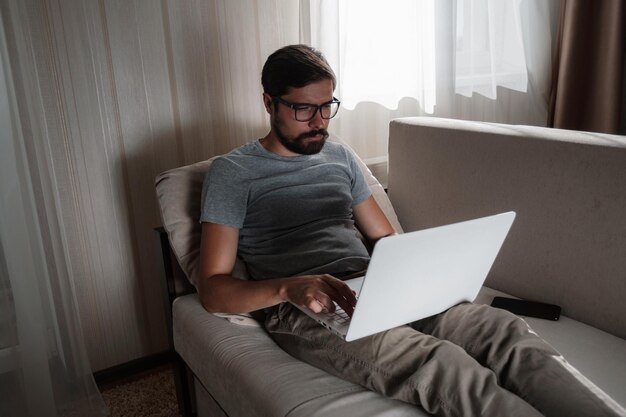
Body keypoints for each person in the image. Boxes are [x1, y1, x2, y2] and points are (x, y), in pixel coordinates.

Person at [198, 44, 625, 417]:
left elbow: (387, 241)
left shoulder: (340, 157)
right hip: (308, 308)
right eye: (304, 109)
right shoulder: (233, 173)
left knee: (506, 334)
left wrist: (420, 272)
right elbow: (214, 290)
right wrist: (289, 288)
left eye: (328, 105)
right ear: (268, 103)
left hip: (380, 288)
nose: (320, 121)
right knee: (444, 367)